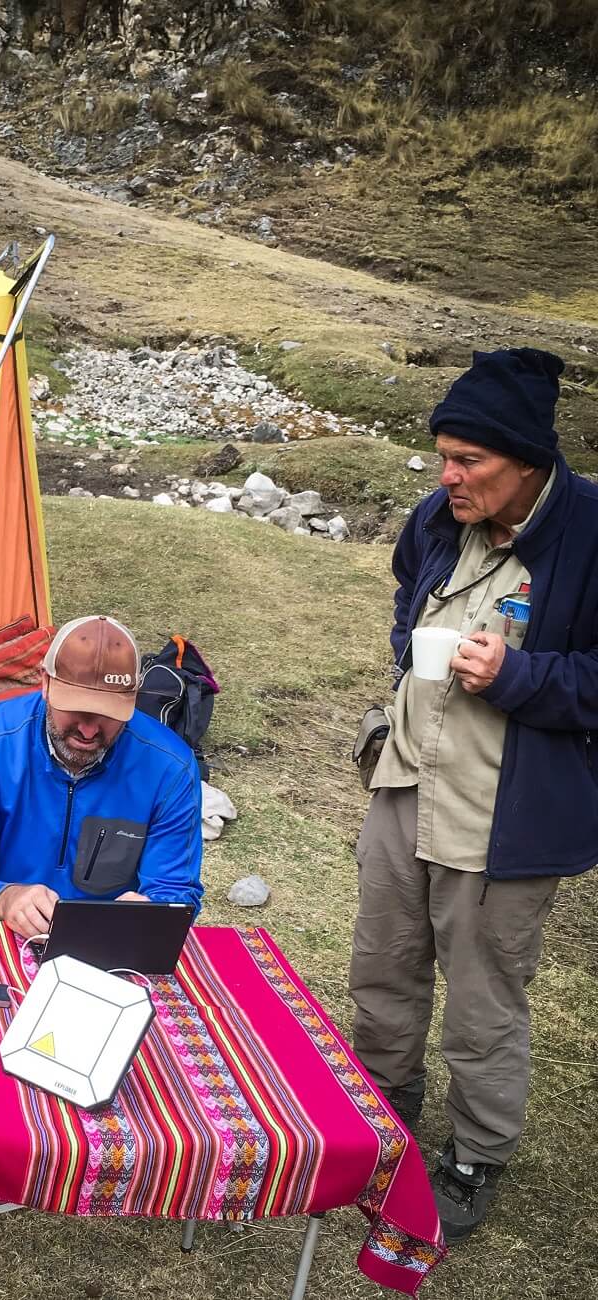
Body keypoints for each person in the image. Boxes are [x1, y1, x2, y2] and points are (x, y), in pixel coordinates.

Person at [350, 348, 598, 1242]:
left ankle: (476, 1152)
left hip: (505, 814)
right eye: (443, 457)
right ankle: (382, 1105)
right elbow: (405, 595)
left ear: (528, 462)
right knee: (382, 960)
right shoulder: (436, 519)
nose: (448, 477)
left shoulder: (591, 532)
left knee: (487, 993)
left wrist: (522, 676)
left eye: (470, 463)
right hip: (407, 781)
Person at [0, 615, 203, 939]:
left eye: (107, 714)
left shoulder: (170, 768)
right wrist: (5, 899)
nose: (89, 730)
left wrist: (152, 909)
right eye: (77, 709)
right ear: (45, 683)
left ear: (132, 700)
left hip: (110, 938)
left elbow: (176, 892)